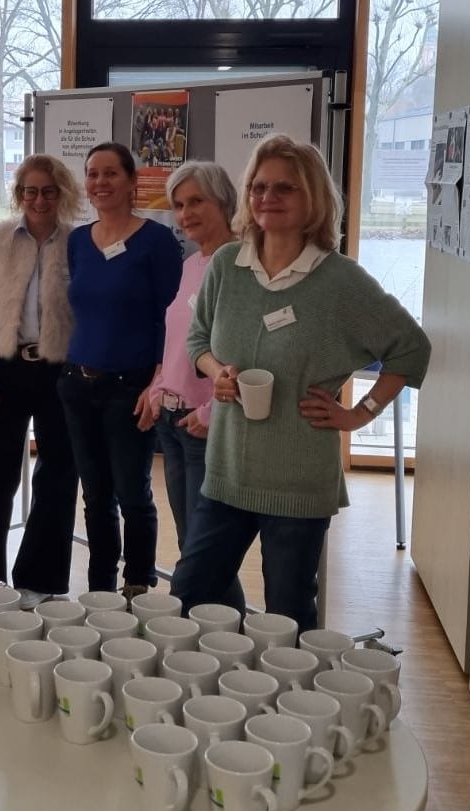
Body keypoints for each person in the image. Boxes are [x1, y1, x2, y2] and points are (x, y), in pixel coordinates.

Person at [170, 135, 431, 632]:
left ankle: (283, 686)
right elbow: (198, 339)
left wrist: (359, 414)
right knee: (189, 596)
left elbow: (411, 348)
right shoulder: (227, 265)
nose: (267, 197)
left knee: (288, 616)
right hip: (227, 474)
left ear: (313, 197)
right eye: (259, 186)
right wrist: (216, 372)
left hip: (298, 482)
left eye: (284, 187)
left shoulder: (340, 281)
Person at [58, 142, 183, 600]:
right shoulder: (77, 241)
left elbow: (171, 318)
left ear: (132, 181)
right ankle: (100, 589)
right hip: (78, 382)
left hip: (131, 387)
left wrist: (157, 382)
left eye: (111, 173)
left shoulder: (157, 241)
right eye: (93, 173)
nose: (100, 182)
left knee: (132, 493)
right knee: (95, 496)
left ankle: (137, 584)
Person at [0, 153, 82, 604]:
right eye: (31, 191)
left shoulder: (78, 242)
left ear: (62, 193)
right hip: (5, 368)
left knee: (58, 475)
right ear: (19, 194)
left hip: (58, 370)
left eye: (49, 191)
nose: (39, 199)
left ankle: (40, 580)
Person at [140, 161, 244, 609]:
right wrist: (158, 387)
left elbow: (248, 352)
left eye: (196, 201)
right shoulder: (191, 264)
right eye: (180, 205)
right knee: (192, 544)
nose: (185, 214)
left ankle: (218, 631)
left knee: (204, 554)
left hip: (206, 427)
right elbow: (180, 339)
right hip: (173, 421)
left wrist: (211, 413)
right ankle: (218, 633)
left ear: (224, 201)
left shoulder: (240, 265)